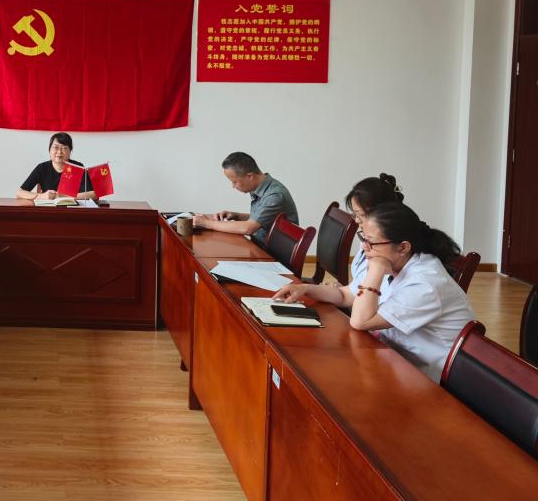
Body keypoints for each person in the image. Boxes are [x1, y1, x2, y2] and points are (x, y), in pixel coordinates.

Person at [273, 202, 473, 382]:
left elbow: (361, 321)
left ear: (403, 247)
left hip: (427, 378)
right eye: (363, 237)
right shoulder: (393, 261)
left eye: (372, 242)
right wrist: (305, 289)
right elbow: (346, 295)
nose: (364, 247)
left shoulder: (426, 283)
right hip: (393, 356)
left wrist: (375, 271)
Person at [192, 152, 298, 246]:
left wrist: (207, 223)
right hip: (261, 249)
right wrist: (236, 216)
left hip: (273, 256)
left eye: (234, 182)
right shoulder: (263, 188)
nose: (233, 186)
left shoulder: (274, 195)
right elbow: (262, 219)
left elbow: (248, 228)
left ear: (249, 176)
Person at [346, 173, 404, 283]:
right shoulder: (368, 237)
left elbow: (372, 289)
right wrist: (343, 289)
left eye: (361, 214)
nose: (356, 220)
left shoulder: (389, 249)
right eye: (354, 214)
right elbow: (358, 284)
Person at [15, 132, 95, 201]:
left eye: (64, 148)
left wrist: (64, 196)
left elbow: (93, 194)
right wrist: (41, 196)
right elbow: (19, 193)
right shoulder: (42, 168)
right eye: (56, 147)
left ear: (70, 151)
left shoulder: (77, 167)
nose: (59, 152)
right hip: (48, 210)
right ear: (49, 150)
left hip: (71, 210)